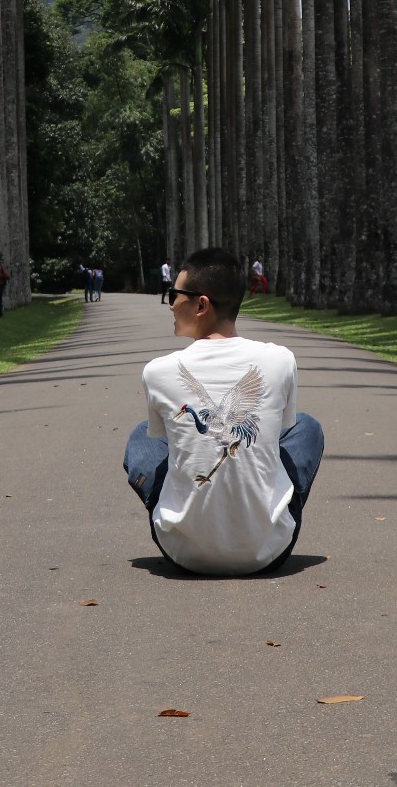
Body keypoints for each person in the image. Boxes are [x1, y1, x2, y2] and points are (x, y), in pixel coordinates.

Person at [123, 247, 324, 576]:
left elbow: (172, 440)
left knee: (141, 437)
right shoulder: (281, 359)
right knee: (306, 427)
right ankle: (263, 515)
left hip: (183, 552)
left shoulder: (158, 371)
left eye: (175, 295)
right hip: (268, 551)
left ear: (201, 304)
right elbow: (280, 433)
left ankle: (184, 517)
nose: (170, 304)